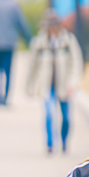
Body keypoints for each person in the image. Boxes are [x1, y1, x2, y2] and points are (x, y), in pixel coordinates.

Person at [26, 11, 84, 153]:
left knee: (66, 117)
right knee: (49, 114)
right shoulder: (39, 42)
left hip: (64, 84)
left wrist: (73, 83)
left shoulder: (68, 40)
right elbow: (33, 65)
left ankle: (64, 141)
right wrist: (30, 85)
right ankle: (50, 144)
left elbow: (76, 62)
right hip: (47, 85)